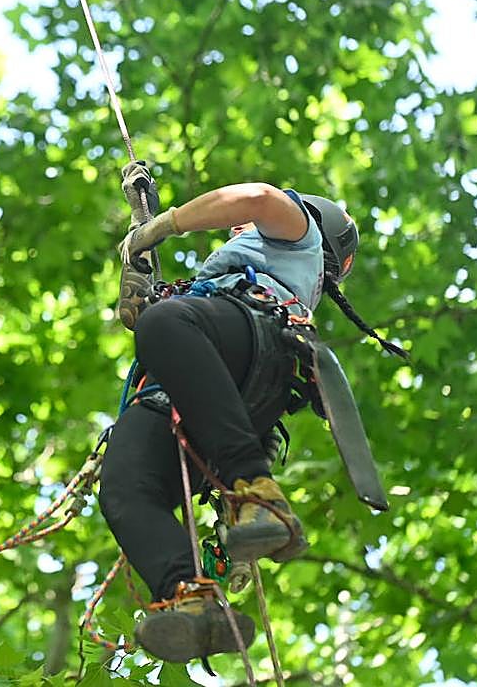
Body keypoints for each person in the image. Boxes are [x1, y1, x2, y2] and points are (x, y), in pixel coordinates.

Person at [99, 161, 406, 663]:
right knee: (124, 488)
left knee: (165, 324)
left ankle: (255, 491)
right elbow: (144, 318)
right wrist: (141, 242)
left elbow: (258, 197)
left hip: (252, 339)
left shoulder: (298, 236)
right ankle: (189, 598)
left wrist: (165, 225)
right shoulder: (213, 286)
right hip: (198, 392)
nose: (235, 229)